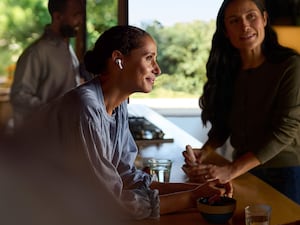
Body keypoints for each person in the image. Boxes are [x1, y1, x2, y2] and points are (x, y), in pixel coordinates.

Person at [10, 25, 233, 222]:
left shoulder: (118, 105)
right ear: (119, 59)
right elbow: (110, 201)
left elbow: (126, 177)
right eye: (149, 58)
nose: (158, 69)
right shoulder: (85, 108)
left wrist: (199, 190)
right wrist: (191, 198)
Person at [182, 0, 300, 205]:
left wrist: (230, 170)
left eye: (251, 16)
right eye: (234, 20)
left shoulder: (290, 66)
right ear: (226, 31)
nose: (244, 26)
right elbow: (223, 125)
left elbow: (286, 129)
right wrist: (205, 151)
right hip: (243, 173)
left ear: (264, 19)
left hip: (285, 173)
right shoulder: (228, 71)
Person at [10, 0, 84, 129]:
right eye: (75, 15)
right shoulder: (36, 52)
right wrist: (53, 110)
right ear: (57, 17)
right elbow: (19, 96)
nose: (80, 21)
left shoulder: (68, 49)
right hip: (44, 138)